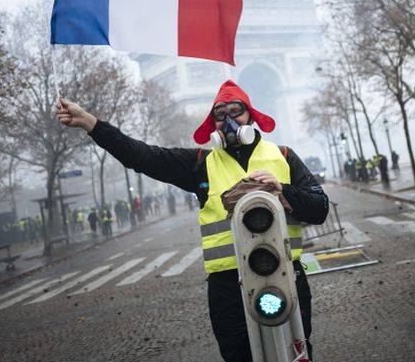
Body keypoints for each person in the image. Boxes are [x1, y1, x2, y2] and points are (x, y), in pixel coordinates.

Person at [56, 79, 328, 361]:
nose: (229, 121)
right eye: (219, 115)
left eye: (236, 111)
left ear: (251, 115)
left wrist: (283, 191)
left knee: (297, 352)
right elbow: (141, 156)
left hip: (284, 274)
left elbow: (320, 208)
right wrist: (91, 123)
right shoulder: (201, 164)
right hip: (228, 288)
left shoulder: (283, 156)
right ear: (213, 126)